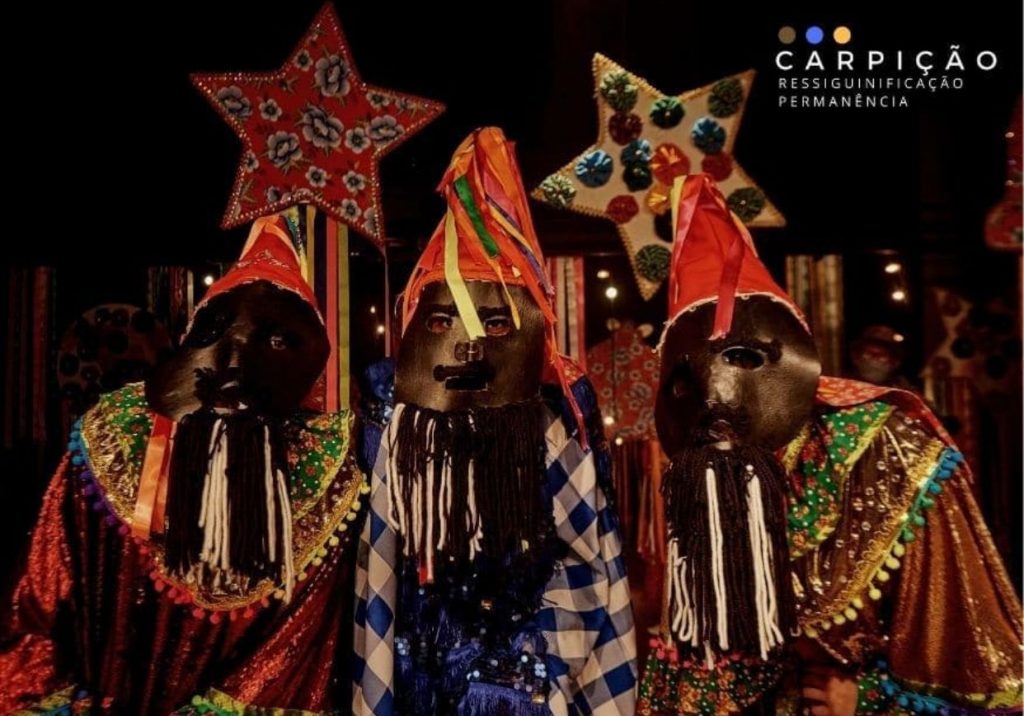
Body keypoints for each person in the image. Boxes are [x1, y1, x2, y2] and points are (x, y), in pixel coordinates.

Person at [638, 175, 1022, 715]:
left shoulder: (884, 453)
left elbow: (971, 655)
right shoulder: (698, 472)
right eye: (687, 384)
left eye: (743, 359)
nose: (717, 398)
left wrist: (868, 700)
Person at [0, 216, 367, 714]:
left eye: (277, 342)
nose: (234, 367)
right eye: (219, 334)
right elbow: (43, 610)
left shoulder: (325, 473)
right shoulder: (113, 438)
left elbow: (288, 663)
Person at [354, 127, 637, 715]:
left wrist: (533, 664)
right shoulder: (400, 433)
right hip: (421, 682)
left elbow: (589, 560)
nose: (468, 347)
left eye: (498, 324)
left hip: (522, 689)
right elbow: (377, 571)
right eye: (442, 323)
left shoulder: (550, 431)